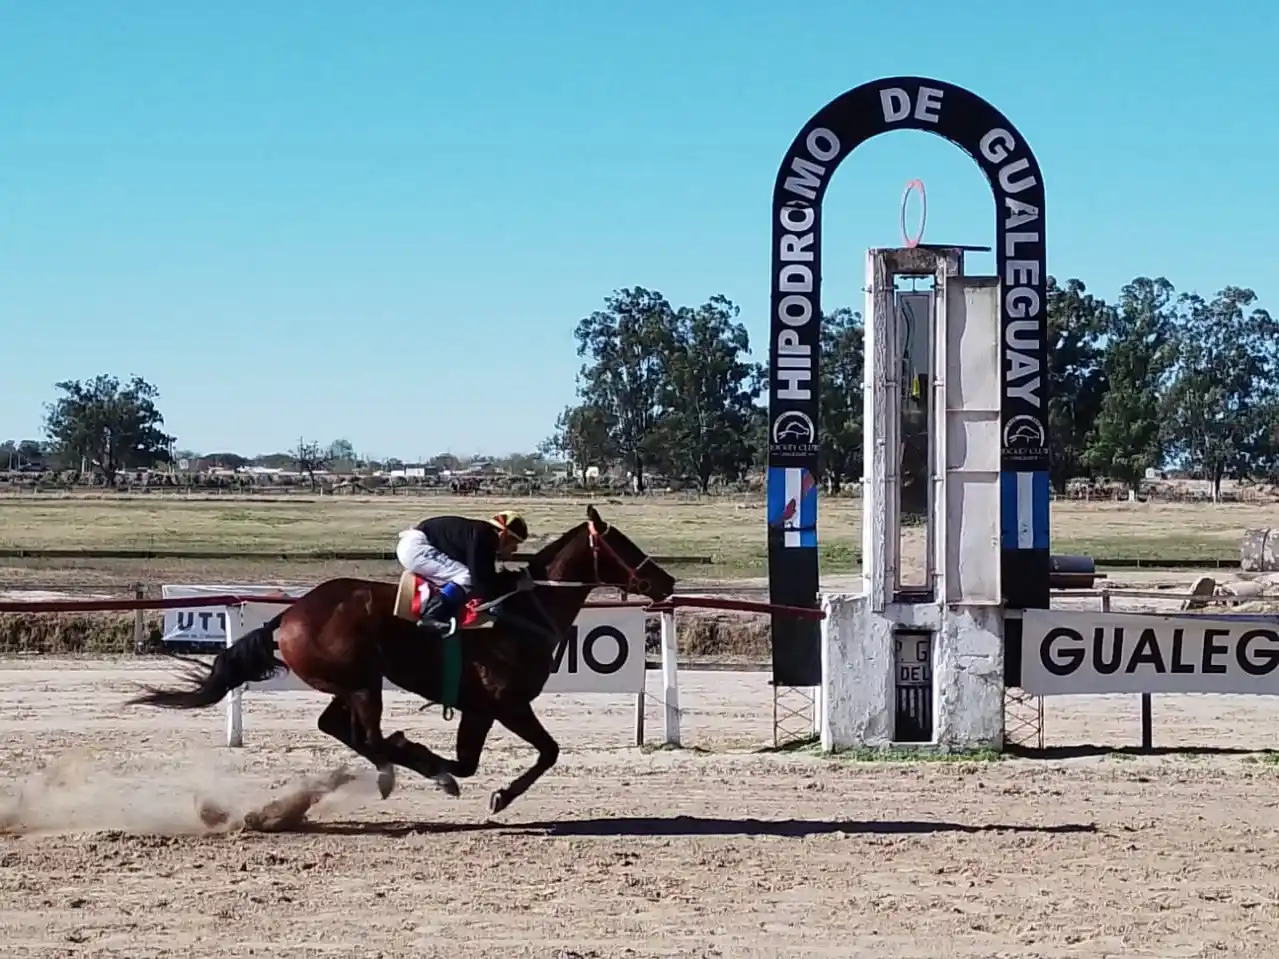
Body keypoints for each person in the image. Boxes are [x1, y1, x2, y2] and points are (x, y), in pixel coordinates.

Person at [394, 509, 531, 630]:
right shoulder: (484, 536)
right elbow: (481, 582)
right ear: (504, 535)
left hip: (417, 544)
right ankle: (432, 615)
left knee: (463, 575)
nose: (514, 550)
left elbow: (485, 577)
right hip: (416, 548)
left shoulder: (482, 533)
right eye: (514, 544)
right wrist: (514, 585)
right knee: (465, 576)